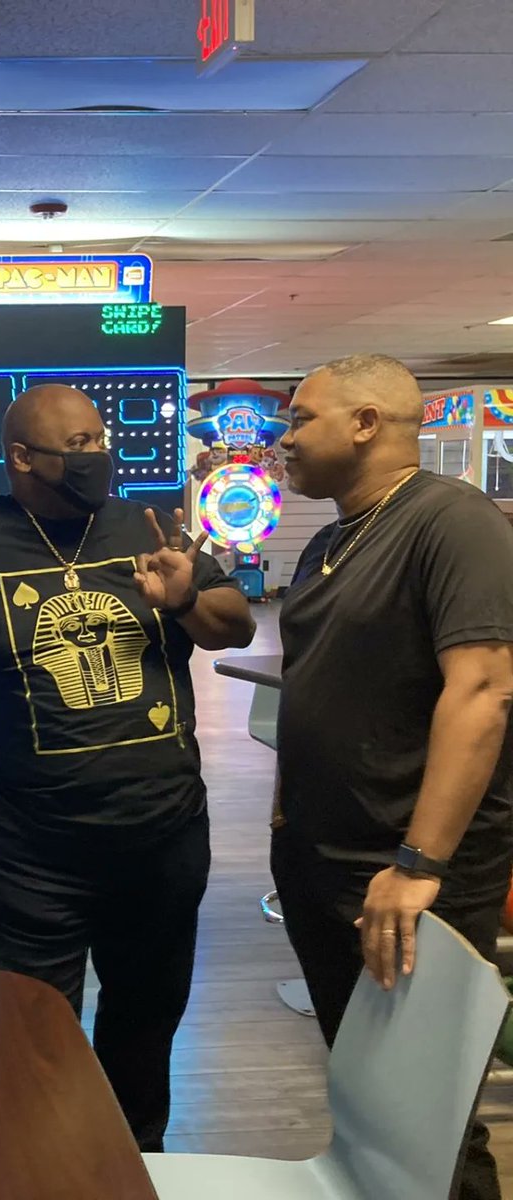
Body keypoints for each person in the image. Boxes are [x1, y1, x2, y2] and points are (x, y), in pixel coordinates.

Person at [0, 384, 256, 1151]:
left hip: (161, 834)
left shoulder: (149, 526)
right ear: (21, 458)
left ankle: (135, 1159)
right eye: (74, 444)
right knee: (34, 1024)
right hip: (35, 847)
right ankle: (44, 1161)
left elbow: (231, 631)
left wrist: (183, 597)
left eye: (98, 438)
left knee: (146, 1017)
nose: (94, 455)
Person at [274, 354, 513, 1200]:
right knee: (373, 1103)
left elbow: (483, 691)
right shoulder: (336, 540)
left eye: (301, 418)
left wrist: (418, 865)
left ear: (367, 422)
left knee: (430, 1117)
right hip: (325, 864)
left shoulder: (453, 522)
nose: (283, 438)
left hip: (407, 876)